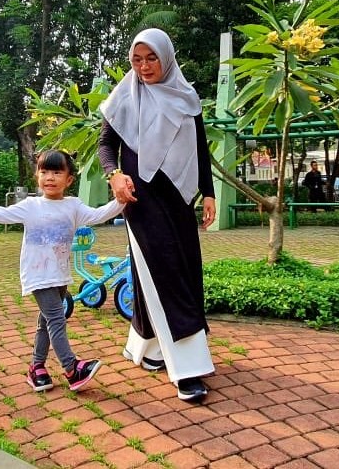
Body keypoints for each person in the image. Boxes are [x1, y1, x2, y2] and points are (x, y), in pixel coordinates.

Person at [98, 27, 217, 403]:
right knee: (165, 273)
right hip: (141, 198)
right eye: (137, 59)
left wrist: (209, 192)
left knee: (177, 270)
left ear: (166, 57)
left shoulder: (186, 96)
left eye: (152, 58)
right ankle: (188, 369)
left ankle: (146, 348)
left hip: (179, 198)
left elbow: (200, 148)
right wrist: (113, 174)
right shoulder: (124, 96)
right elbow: (106, 145)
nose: (145, 66)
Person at [0, 150, 123, 393]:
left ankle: (37, 367)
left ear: (69, 179)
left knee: (46, 322)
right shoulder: (31, 206)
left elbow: (98, 215)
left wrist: (121, 200)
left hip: (60, 274)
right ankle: (72, 368)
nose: (49, 178)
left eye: (56, 172)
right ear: (37, 176)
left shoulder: (73, 206)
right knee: (56, 318)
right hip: (38, 275)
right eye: (44, 172)